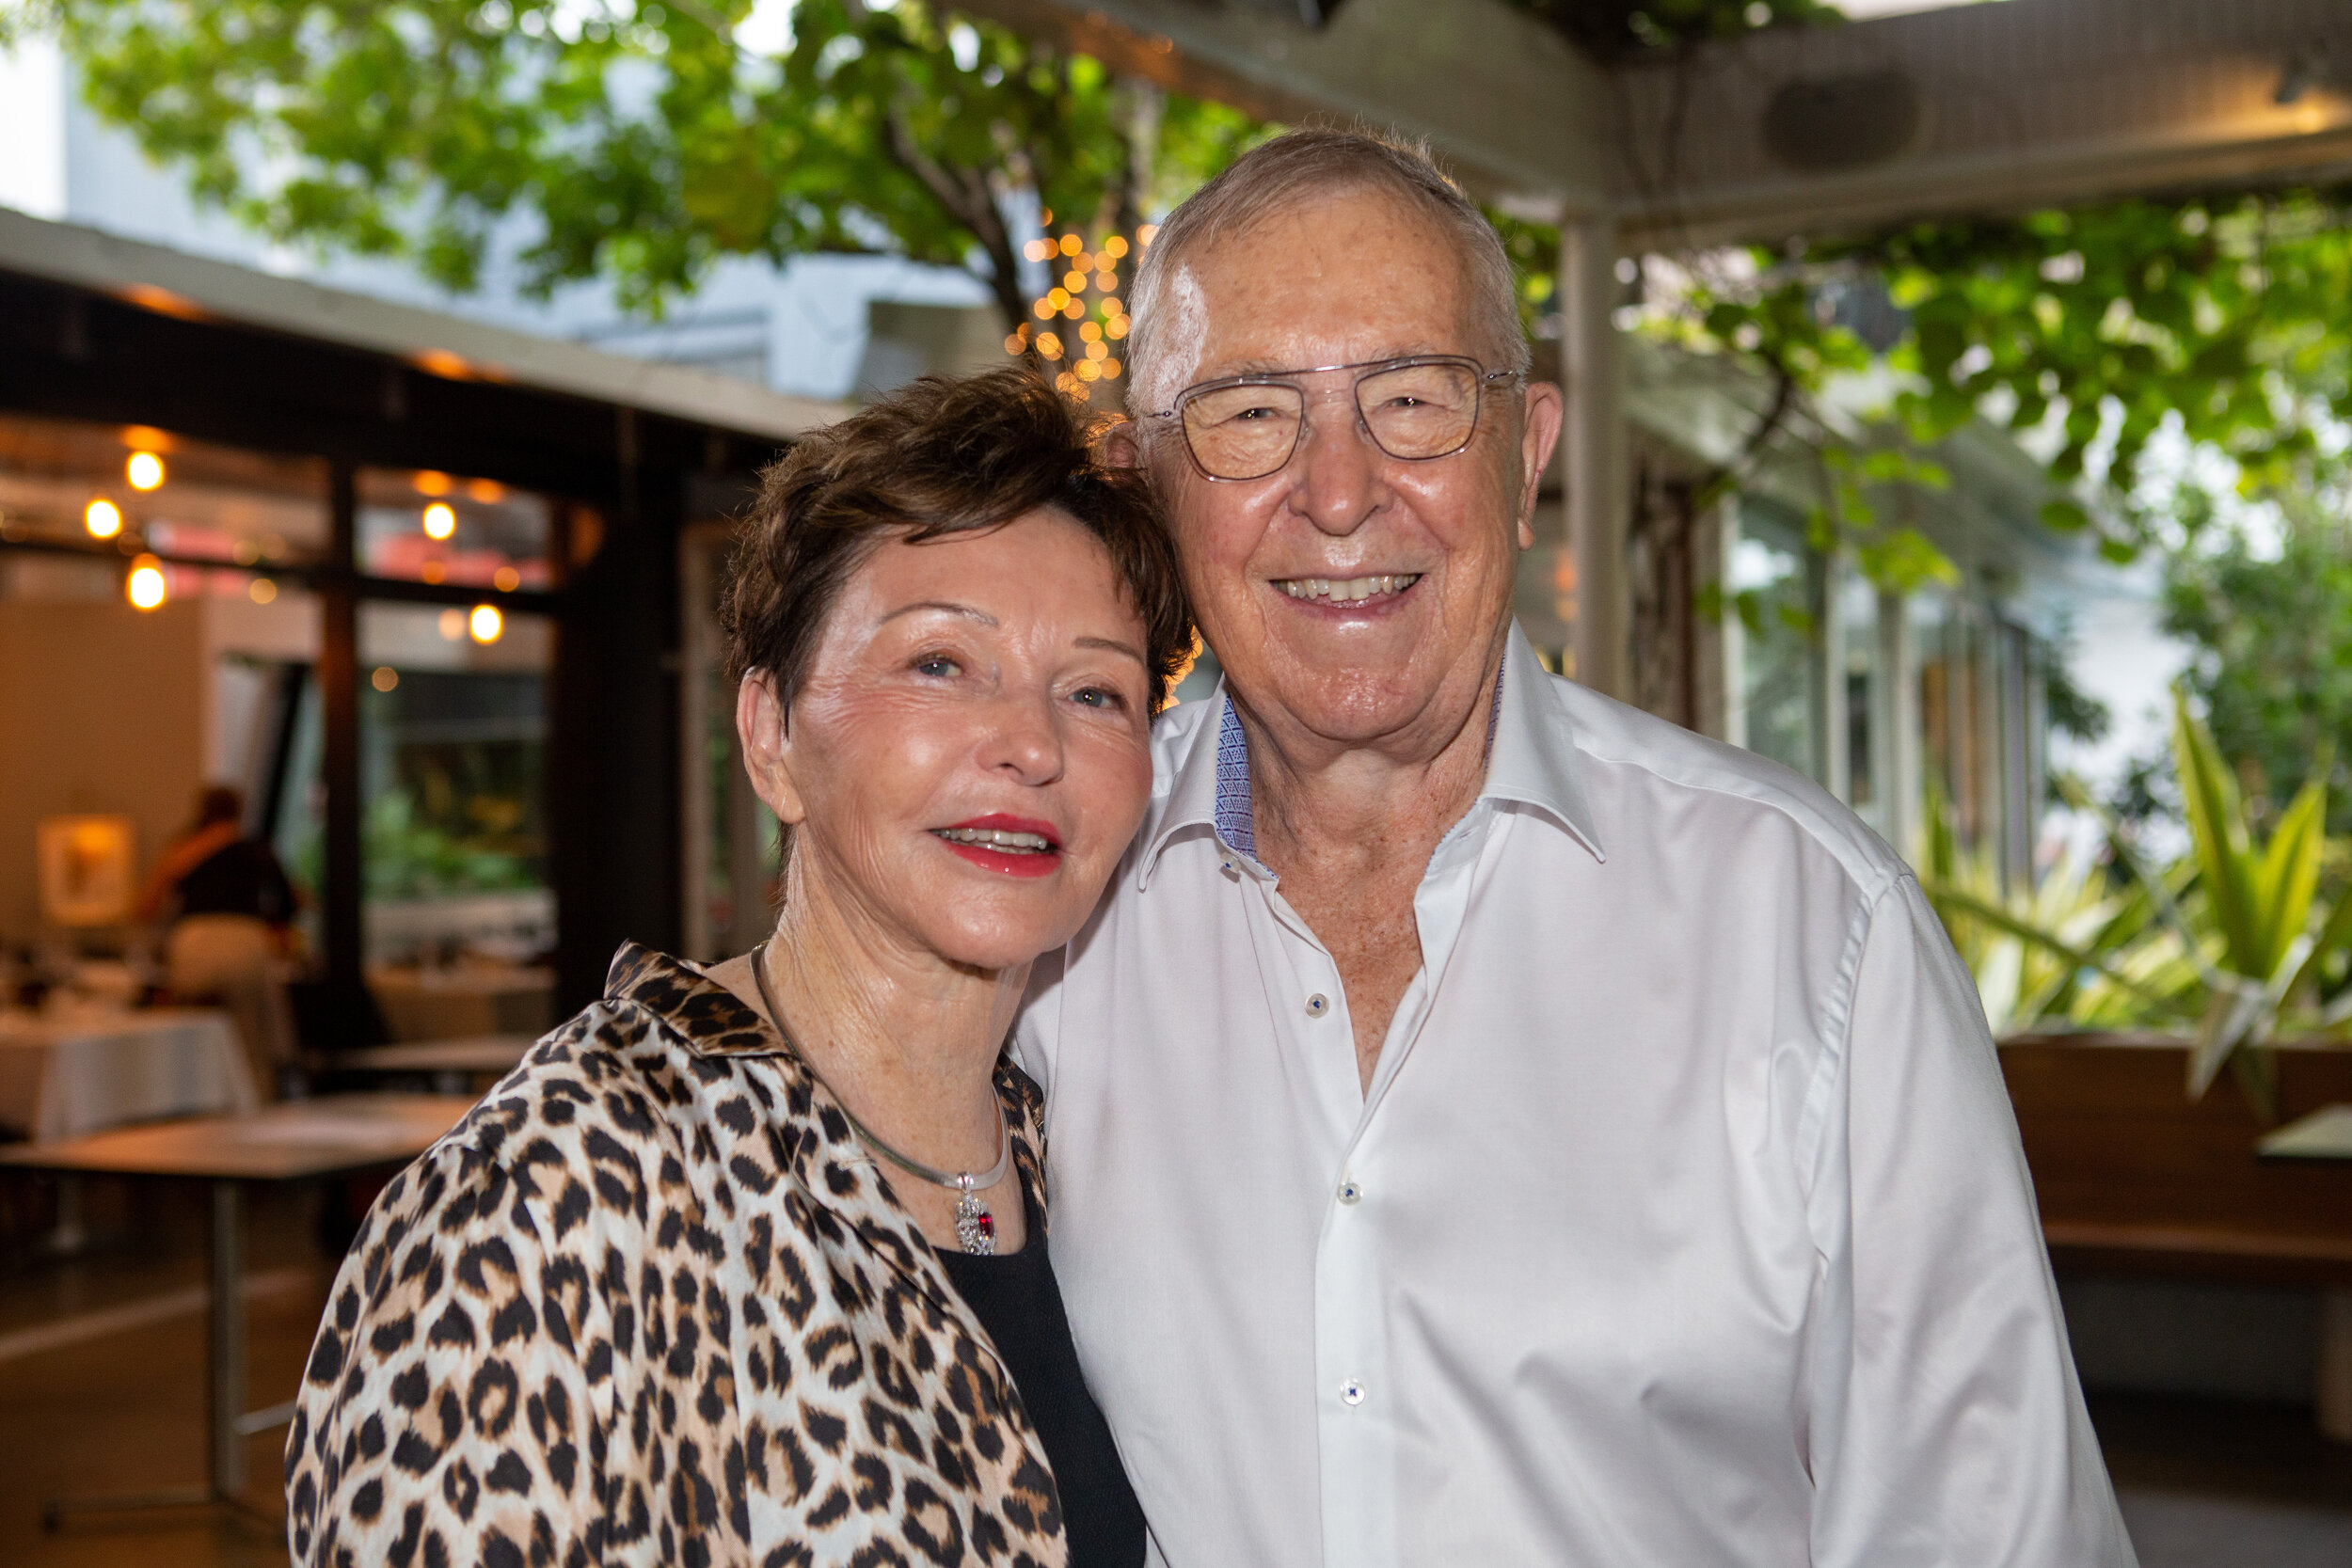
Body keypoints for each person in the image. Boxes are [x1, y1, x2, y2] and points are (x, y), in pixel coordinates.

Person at [1015, 128, 2137, 1565]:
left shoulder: (1808, 926)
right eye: (1249, 413)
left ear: (1527, 450)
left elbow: (1991, 1531)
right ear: (1148, 481)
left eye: (1413, 398)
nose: (1340, 490)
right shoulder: (1051, 900)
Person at [285, 369, 1190, 1568]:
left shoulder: (1072, 1154)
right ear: (770, 737)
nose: (1031, 743)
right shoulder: (556, 1198)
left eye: (1095, 690)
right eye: (938, 662)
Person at [137, 784, 300, 1097]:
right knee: (252, 1035)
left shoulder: (183, 848)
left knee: (191, 1025)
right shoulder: (255, 848)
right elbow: (290, 902)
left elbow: (146, 908)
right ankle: (255, 1098)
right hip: (244, 940)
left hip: (194, 941)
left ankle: (191, 1094)